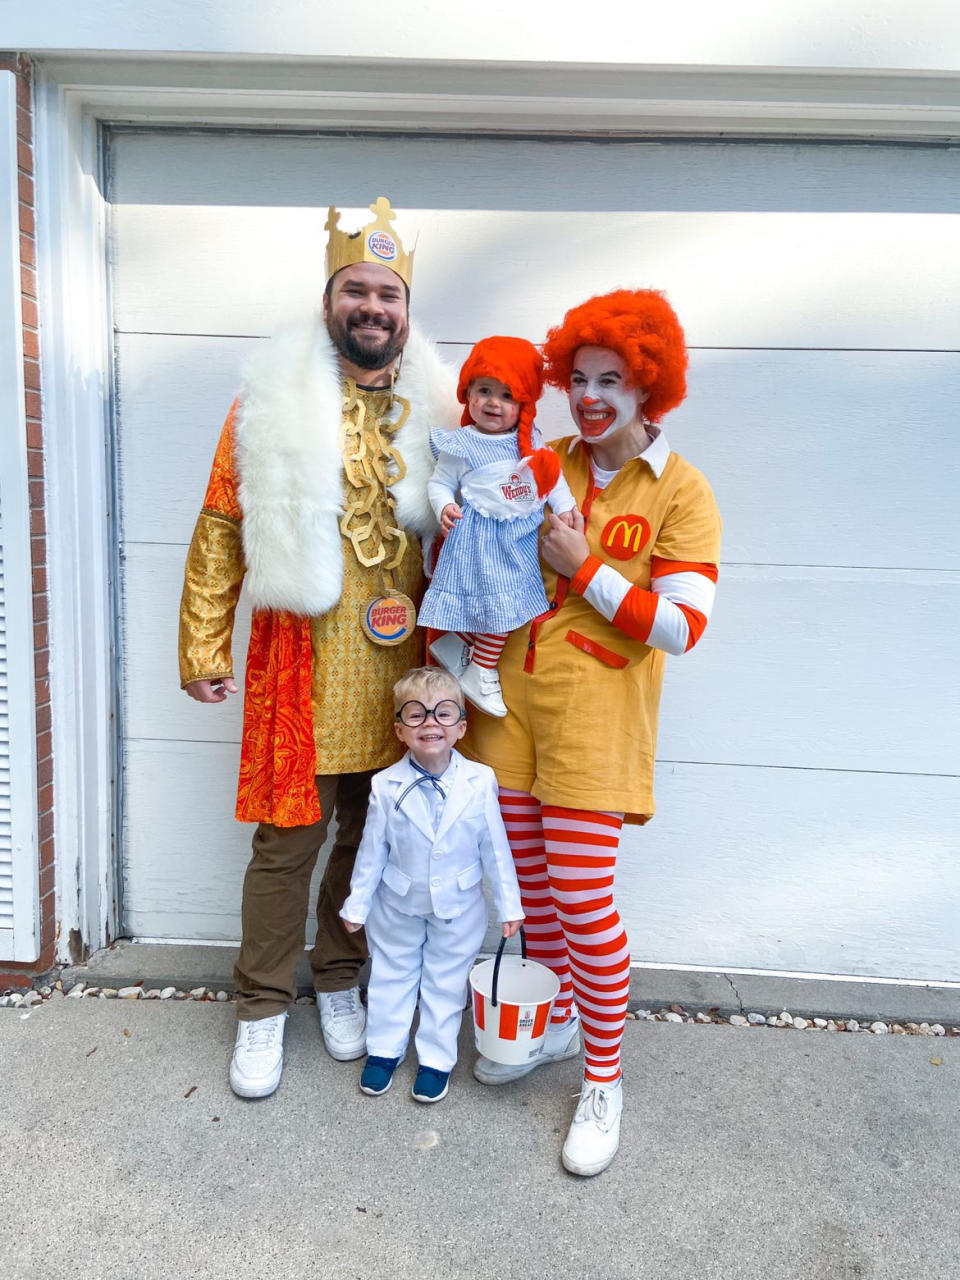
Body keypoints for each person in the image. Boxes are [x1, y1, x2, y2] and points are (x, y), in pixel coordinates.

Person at [178, 198, 458, 1099]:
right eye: (357, 290)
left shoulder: (441, 409)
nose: (374, 307)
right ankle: (262, 1006)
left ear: (406, 311)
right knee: (287, 843)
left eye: (389, 293)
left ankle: (340, 979)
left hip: (401, 663)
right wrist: (203, 643)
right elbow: (224, 523)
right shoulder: (269, 395)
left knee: (370, 837)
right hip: (300, 658)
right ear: (329, 298)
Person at [463, 289, 722, 1176]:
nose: (593, 397)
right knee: (532, 903)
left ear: (652, 385)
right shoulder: (540, 462)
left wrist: (588, 569)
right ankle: (561, 1020)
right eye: (579, 379)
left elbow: (683, 628)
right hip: (509, 715)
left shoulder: (681, 489)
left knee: (583, 901)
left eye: (613, 379)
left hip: (597, 725)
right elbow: (478, 548)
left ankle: (604, 1080)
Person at [339, 666, 523, 1102]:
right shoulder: (385, 786)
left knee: (446, 980)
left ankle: (437, 1059)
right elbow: (371, 850)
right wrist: (356, 905)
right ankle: (384, 1050)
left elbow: (495, 849)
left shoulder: (480, 782)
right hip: (398, 902)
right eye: (416, 715)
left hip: (459, 906)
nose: (430, 724)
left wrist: (509, 906)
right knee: (391, 974)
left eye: (443, 713)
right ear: (400, 730)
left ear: (461, 726)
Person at [419, 336, 577, 717]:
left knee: (511, 608)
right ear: (468, 394)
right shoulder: (463, 444)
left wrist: (567, 506)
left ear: (523, 404)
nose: (493, 402)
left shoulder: (532, 443)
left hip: (517, 545)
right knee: (497, 609)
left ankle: (459, 646)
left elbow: (550, 479)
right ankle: (481, 668)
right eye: (484, 391)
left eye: (507, 396)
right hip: (475, 544)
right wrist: (444, 506)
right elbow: (439, 482)